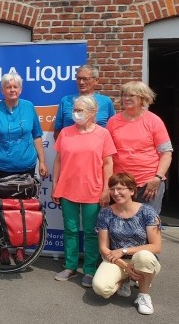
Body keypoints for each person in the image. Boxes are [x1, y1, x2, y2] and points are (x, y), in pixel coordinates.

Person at [0, 72, 48, 265]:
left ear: (21, 89)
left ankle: (20, 248)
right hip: (1, 168)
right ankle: (2, 246)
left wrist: (42, 161)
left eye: (15, 86)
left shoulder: (28, 107)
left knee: (23, 210)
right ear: (2, 90)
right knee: (0, 210)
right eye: (8, 87)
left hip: (26, 167)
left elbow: (36, 135)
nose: (12, 90)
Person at [52, 95, 116, 287]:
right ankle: (70, 266)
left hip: (93, 190)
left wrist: (106, 189)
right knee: (70, 230)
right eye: (75, 110)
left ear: (93, 113)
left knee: (91, 232)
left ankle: (89, 270)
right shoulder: (65, 132)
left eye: (80, 110)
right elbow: (58, 160)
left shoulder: (103, 134)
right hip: (68, 188)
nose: (76, 114)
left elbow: (108, 163)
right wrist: (55, 185)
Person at [92, 173, 162, 315]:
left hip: (141, 259)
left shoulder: (147, 212)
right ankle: (125, 279)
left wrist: (124, 250)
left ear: (132, 191)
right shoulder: (105, 213)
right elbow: (103, 248)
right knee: (101, 288)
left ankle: (143, 296)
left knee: (144, 256)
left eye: (120, 189)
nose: (115, 193)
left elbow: (156, 246)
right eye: (112, 189)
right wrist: (125, 266)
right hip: (116, 260)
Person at [106, 81, 173, 213]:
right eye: (124, 95)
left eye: (131, 95)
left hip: (148, 183)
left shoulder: (154, 121)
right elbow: (107, 154)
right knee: (121, 226)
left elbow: (166, 153)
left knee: (148, 224)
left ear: (142, 98)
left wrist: (157, 178)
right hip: (121, 184)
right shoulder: (113, 121)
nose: (126, 98)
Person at [53, 65, 115, 140]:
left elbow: (113, 129)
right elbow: (57, 130)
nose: (81, 82)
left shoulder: (106, 102)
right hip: (72, 148)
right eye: (79, 78)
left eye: (85, 79)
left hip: (97, 149)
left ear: (96, 80)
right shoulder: (66, 101)